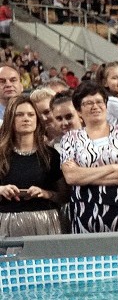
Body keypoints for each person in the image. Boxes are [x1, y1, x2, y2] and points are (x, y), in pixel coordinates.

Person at [58, 81, 118, 233]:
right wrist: (113, 167)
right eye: (88, 103)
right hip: (85, 211)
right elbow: (71, 177)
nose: (95, 106)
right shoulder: (70, 138)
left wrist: (86, 176)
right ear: (78, 110)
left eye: (99, 101)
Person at [0, 96, 67, 236]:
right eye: (19, 115)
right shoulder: (1, 155)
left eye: (31, 115)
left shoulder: (51, 155)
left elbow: (63, 195)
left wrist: (45, 193)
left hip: (45, 221)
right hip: (6, 222)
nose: (26, 118)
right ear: (10, 119)